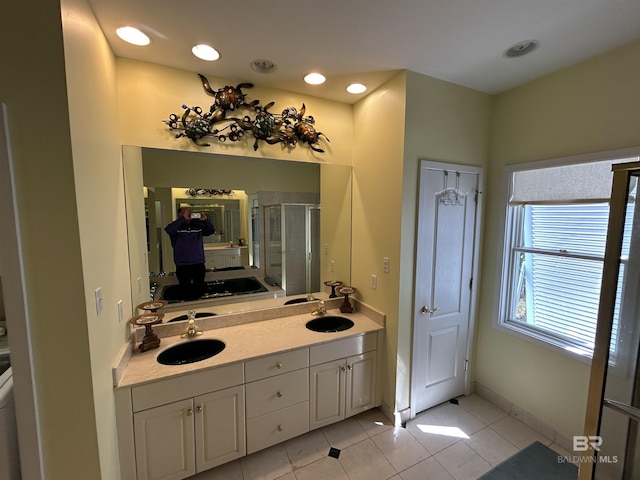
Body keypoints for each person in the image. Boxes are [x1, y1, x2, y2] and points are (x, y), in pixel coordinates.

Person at [165, 206, 215, 300]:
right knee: (185, 291)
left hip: (198, 263)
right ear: (180, 214)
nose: (189, 213)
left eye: (190, 212)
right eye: (186, 212)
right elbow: (168, 230)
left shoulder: (198, 225)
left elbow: (211, 231)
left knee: (199, 289)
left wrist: (205, 220)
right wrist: (183, 219)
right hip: (183, 264)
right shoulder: (177, 227)